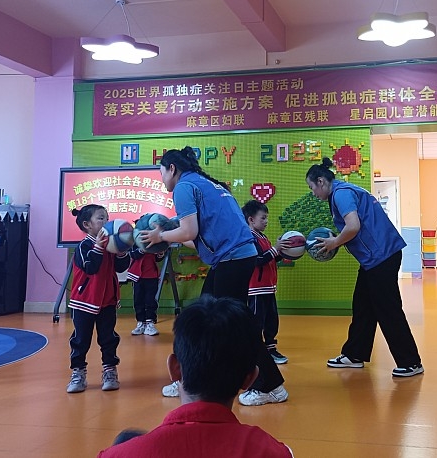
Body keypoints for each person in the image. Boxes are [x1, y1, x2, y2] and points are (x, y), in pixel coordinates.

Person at [140, 147, 288, 405]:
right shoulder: (206, 184)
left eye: (161, 172)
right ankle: (189, 378)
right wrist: (168, 235)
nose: (161, 178)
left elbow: (188, 232)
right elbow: (196, 238)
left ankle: (271, 386)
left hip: (233, 259)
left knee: (234, 324)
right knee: (201, 317)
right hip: (233, 258)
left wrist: (159, 236)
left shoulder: (184, 187)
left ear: (172, 168)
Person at [96, 295, 293, 457]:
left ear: (174, 368)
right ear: (250, 379)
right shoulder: (274, 452)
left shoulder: (118, 455)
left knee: (126, 438)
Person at [305, 157, 423, 378]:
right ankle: (354, 354)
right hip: (377, 258)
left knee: (388, 309)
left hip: (381, 257)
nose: (313, 193)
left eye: (312, 187)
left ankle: (411, 362)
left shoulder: (340, 194)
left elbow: (353, 226)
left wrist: (334, 242)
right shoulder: (346, 189)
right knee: (363, 306)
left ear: (320, 181)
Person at [66, 205, 131, 393]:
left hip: (108, 301)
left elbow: (121, 268)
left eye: (107, 218)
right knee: (81, 339)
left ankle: (109, 371)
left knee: (108, 338)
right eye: (101, 218)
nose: (106, 222)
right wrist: (98, 247)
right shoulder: (83, 246)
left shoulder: (111, 245)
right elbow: (90, 267)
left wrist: (121, 252)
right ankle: (78, 373)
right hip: (84, 301)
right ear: (87, 225)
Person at [242, 200, 289, 365]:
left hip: (268, 288)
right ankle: (254, 351)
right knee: (257, 321)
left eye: (266, 218)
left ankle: (270, 349)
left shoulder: (262, 237)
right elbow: (258, 260)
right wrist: (275, 249)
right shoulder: (249, 237)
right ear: (251, 219)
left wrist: (283, 251)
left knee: (271, 320)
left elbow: (270, 259)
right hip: (256, 289)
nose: (266, 221)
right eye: (263, 218)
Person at [127, 246, 166, 337]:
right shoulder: (134, 241)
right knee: (138, 300)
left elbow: (157, 258)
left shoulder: (154, 242)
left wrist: (160, 253)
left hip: (151, 275)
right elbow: (133, 255)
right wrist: (142, 250)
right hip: (138, 276)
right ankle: (140, 322)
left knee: (150, 300)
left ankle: (150, 322)